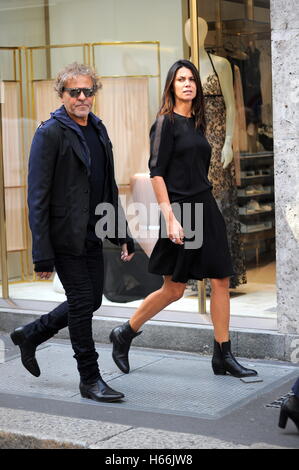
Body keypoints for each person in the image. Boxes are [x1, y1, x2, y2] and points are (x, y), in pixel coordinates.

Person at [109, 59, 258, 379]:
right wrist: (171, 218)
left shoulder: (197, 123)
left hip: (206, 205)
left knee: (221, 278)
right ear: (171, 86)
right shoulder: (166, 123)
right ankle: (125, 332)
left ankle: (223, 355)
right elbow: (157, 173)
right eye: (181, 79)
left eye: (191, 79)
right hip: (180, 210)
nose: (188, 83)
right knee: (174, 289)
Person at [10, 62, 134, 403]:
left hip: (93, 232)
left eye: (87, 91)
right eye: (73, 91)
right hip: (64, 235)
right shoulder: (49, 132)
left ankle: (31, 334)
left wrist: (122, 232)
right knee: (81, 302)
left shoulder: (98, 128)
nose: (81, 97)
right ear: (62, 94)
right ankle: (90, 378)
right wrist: (42, 253)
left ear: (94, 94)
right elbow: (37, 197)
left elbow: (107, 187)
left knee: (92, 299)